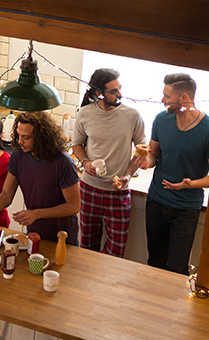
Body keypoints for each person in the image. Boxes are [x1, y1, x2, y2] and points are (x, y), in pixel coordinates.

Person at [0, 111, 80, 244]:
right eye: (19, 135)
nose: (20, 141)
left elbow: (73, 206)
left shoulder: (63, 163)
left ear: (41, 137)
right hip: (34, 233)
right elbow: (5, 198)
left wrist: (36, 214)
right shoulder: (19, 157)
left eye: (26, 137)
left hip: (62, 236)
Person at [72, 68, 147, 257]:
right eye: (114, 91)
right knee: (87, 247)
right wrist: (86, 162)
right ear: (99, 93)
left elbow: (141, 150)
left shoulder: (132, 116)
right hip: (88, 189)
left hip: (118, 192)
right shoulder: (85, 113)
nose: (120, 94)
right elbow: (76, 145)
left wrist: (128, 176)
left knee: (116, 251)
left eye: (119, 88)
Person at [145, 73, 209, 275]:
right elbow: (153, 155)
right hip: (156, 201)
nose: (162, 100)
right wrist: (146, 162)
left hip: (186, 209)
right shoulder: (161, 120)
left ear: (184, 98)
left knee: (177, 268)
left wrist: (189, 184)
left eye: (166, 96)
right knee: (155, 261)